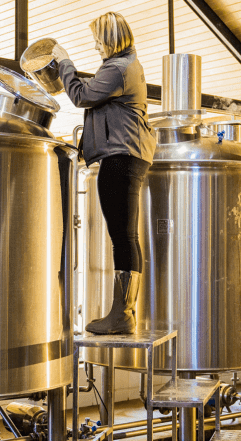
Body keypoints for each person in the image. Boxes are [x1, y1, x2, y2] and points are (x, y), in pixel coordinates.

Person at [52, 12, 155, 335]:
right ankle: (122, 311)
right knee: (124, 235)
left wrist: (65, 63)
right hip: (126, 155)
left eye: (99, 40)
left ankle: (122, 314)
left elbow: (82, 95)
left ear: (111, 40)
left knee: (122, 237)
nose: (96, 46)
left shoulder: (118, 68)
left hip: (120, 157)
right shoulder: (125, 66)